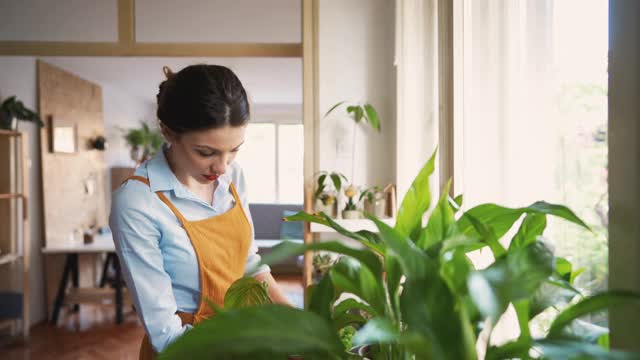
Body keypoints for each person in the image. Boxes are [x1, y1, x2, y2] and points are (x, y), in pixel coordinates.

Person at [109, 64, 293, 359]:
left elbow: (248, 264)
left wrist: (297, 326)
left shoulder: (233, 177)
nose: (221, 166)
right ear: (168, 131)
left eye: (234, 150)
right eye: (206, 153)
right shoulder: (138, 202)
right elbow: (166, 332)